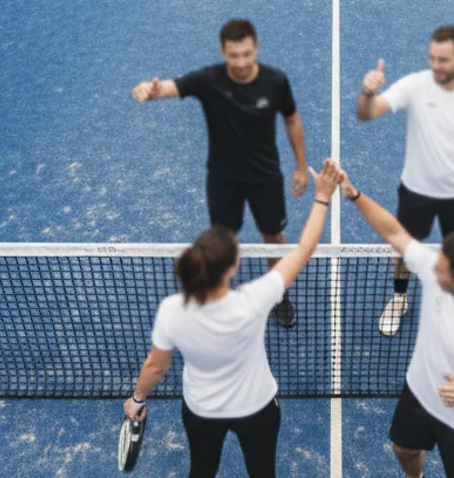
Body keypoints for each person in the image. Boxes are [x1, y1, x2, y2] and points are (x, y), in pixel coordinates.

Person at [123, 160, 342, 478]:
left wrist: (136, 399)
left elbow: (156, 366)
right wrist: (322, 196)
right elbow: (304, 250)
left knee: (201, 470)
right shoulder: (254, 300)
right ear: (231, 269)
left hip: (202, 410)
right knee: (263, 472)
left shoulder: (172, 310)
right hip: (256, 408)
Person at [339, 169, 454, 478]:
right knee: (403, 449)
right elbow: (395, 233)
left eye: (441, 270)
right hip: (419, 391)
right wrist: (353, 193)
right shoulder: (433, 270)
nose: (431, 270)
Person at [132, 19, 309, 327]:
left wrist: (300, 166)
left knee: (274, 236)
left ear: (256, 49)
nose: (241, 63)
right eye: (233, 55)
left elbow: (292, 120)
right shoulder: (208, 80)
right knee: (223, 239)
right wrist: (147, 91)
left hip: (265, 176)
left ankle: (279, 294)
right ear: (222, 51)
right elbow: (167, 89)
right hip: (223, 179)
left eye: (246, 54)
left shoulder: (276, 81)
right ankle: (221, 295)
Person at [357, 25, 454, 336]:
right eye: (432, 58)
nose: (436, 66)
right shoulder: (415, 86)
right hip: (417, 191)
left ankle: (452, 303)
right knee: (403, 250)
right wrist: (367, 93)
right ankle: (400, 297)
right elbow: (367, 114)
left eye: (443, 60)